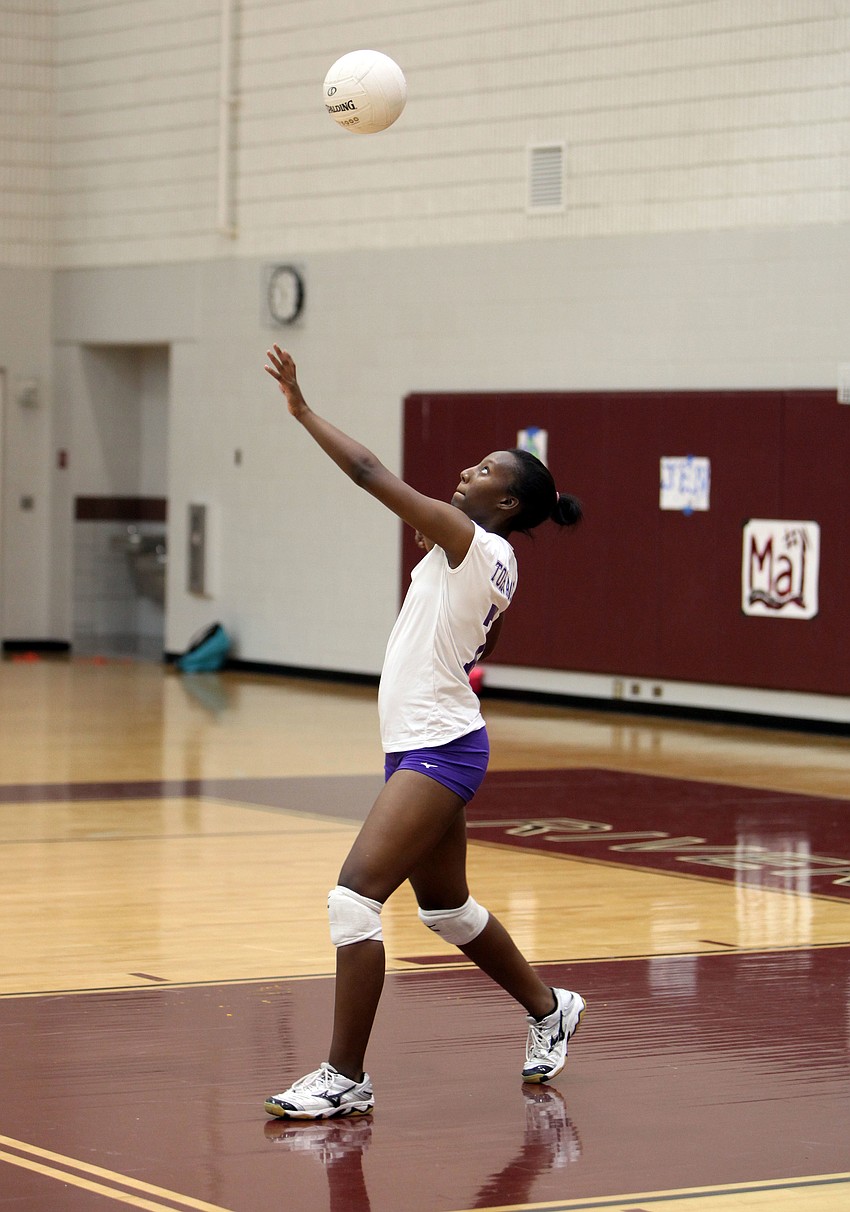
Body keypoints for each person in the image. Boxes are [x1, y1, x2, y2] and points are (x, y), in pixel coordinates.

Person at [262, 345, 585, 1120]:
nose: (465, 476)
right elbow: (483, 644)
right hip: (429, 738)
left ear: (506, 504)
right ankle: (550, 1009)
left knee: (353, 899)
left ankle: (344, 1076)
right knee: (445, 909)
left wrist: (304, 411)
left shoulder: (478, 544)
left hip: (439, 748)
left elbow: (372, 473)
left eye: (482, 472)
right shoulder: (488, 558)